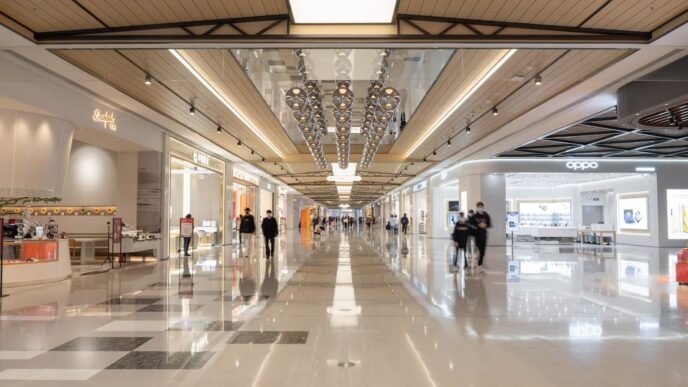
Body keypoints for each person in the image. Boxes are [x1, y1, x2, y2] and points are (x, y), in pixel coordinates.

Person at [468, 202, 491, 272]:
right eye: (479, 207)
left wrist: (485, 225)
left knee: (483, 252)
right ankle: (478, 264)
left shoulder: (486, 215)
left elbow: (489, 224)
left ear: (483, 207)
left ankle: (479, 264)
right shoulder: (475, 216)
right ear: (477, 207)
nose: (480, 208)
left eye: (481, 206)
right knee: (479, 248)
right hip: (477, 236)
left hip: (484, 235)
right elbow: (470, 225)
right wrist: (478, 226)